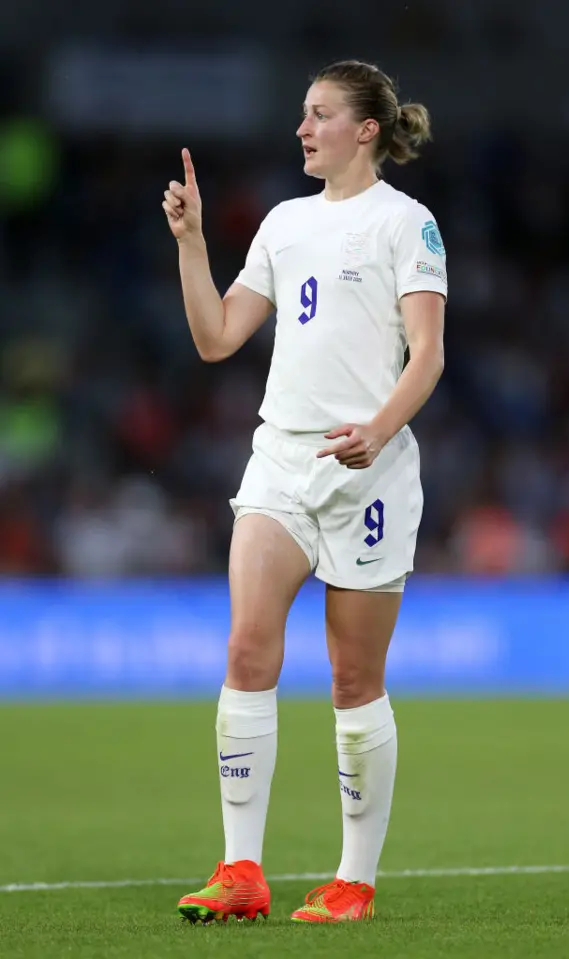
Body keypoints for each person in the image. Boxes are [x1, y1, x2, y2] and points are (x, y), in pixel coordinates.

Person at [162, 59, 447, 924]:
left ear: (366, 129)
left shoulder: (409, 223)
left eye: (319, 114)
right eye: (301, 114)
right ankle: (241, 871)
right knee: (248, 647)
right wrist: (191, 241)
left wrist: (380, 427)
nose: (302, 128)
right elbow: (216, 338)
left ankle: (353, 881)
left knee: (353, 676)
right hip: (282, 460)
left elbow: (427, 353)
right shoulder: (284, 225)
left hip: (370, 469)